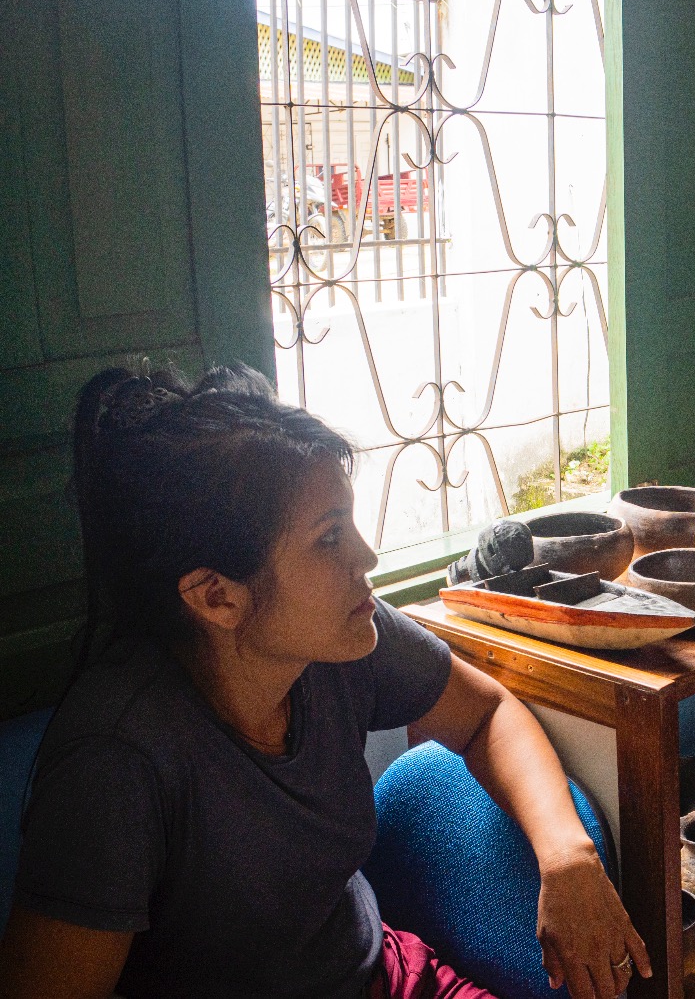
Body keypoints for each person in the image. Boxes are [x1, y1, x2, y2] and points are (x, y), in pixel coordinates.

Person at [0, 365, 649, 999]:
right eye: (328, 537)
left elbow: (486, 716)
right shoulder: (115, 767)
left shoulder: (347, 640)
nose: (366, 558)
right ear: (217, 597)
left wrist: (568, 857)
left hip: (386, 973)